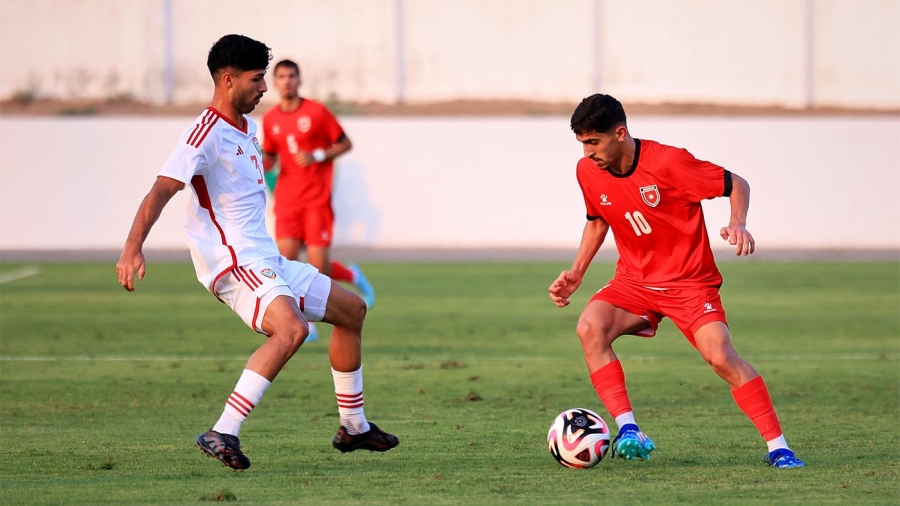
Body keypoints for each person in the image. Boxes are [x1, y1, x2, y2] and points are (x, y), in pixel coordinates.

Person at [115, 34, 398, 471]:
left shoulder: (248, 129)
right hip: (233, 262)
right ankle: (223, 430)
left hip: (267, 259)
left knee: (352, 310)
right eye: (256, 79)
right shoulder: (204, 133)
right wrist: (132, 247)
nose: (265, 88)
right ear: (227, 80)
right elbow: (161, 189)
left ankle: (354, 426)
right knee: (291, 330)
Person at [548, 94, 804, 468]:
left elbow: (738, 184)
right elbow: (598, 219)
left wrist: (737, 222)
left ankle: (779, 448)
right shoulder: (588, 170)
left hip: (689, 284)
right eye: (582, 143)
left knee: (721, 357)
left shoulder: (669, 163)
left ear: (619, 133)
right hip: (634, 282)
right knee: (590, 328)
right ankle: (629, 430)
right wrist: (577, 272)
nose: (588, 152)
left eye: (594, 142)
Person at [261, 59, 374, 343]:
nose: (287, 81)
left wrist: (318, 155)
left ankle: (350, 274)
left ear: (299, 80)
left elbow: (345, 143)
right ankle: (303, 323)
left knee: (317, 269)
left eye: (291, 76)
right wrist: (253, 165)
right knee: (285, 265)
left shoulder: (316, 112)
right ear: (275, 83)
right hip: (287, 202)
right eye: (281, 76)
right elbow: (270, 157)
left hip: (316, 201)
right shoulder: (270, 119)